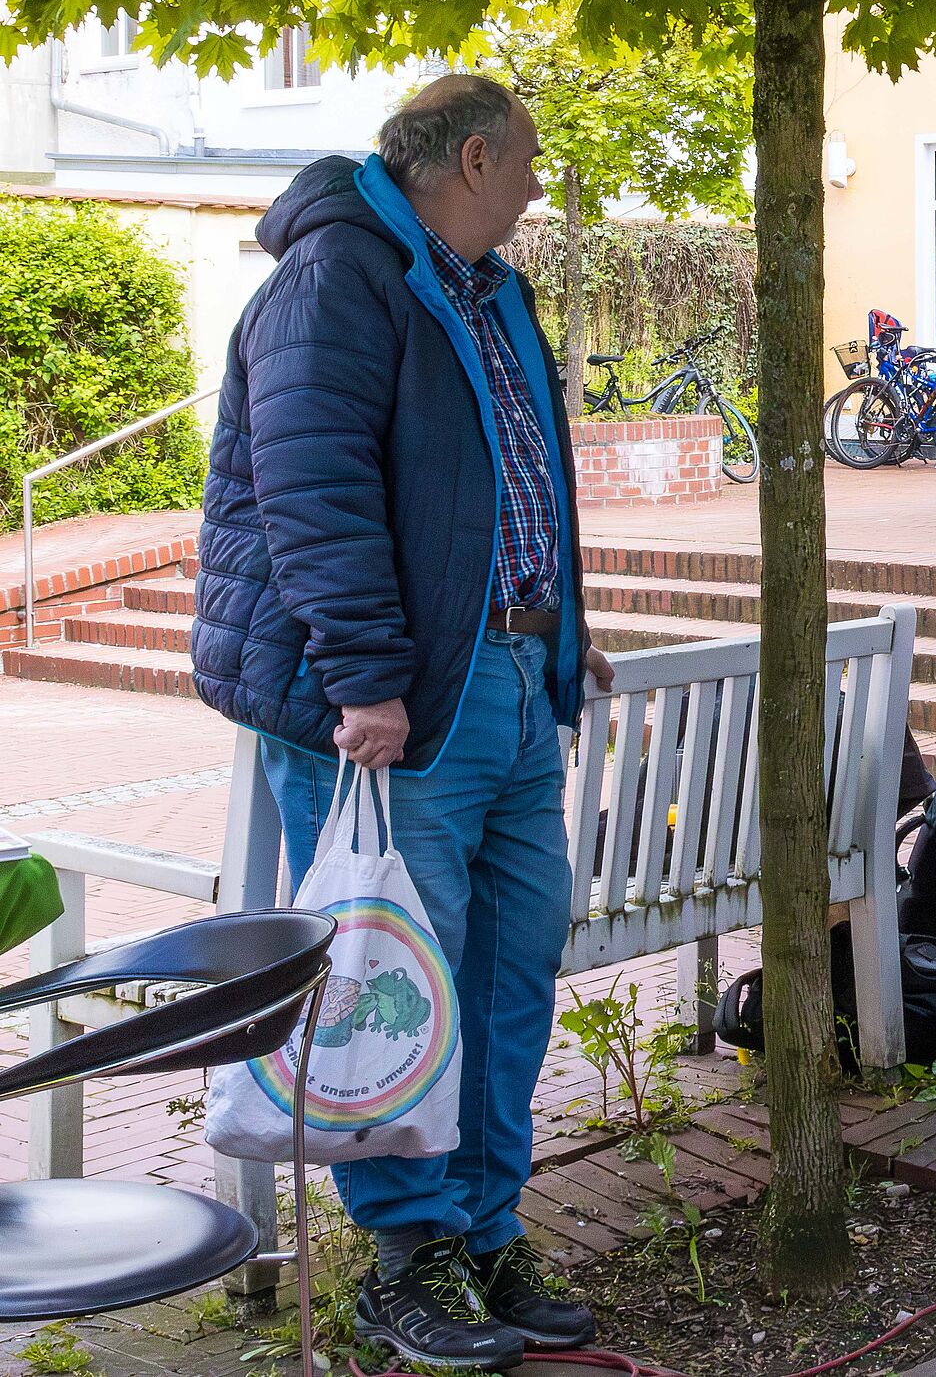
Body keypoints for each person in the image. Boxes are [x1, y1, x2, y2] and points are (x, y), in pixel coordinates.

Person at [192, 75, 611, 1370]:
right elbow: (314, 495)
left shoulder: (490, 291)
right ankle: (406, 1254)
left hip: (508, 686)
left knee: (507, 973)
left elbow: (518, 480)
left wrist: (567, 640)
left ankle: (484, 1228)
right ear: (471, 157)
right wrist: (370, 675)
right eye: (529, 160)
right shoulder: (338, 281)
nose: (540, 184)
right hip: (395, 697)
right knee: (398, 984)